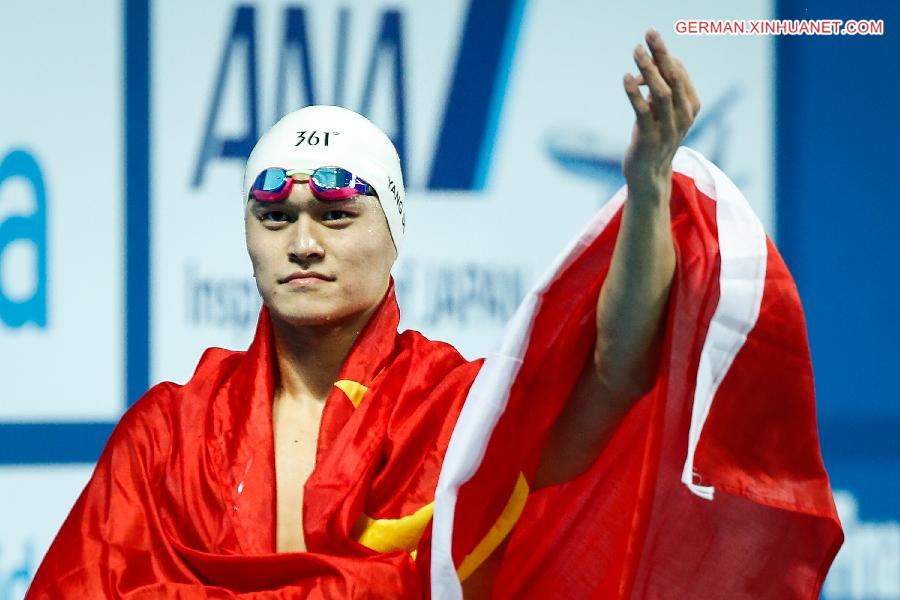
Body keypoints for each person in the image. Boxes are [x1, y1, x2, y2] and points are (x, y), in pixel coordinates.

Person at [27, 30, 841, 599]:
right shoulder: (167, 435)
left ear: (395, 232)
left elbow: (614, 368)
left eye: (337, 216)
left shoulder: (456, 417)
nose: (302, 242)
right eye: (276, 218)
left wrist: (649, 185)